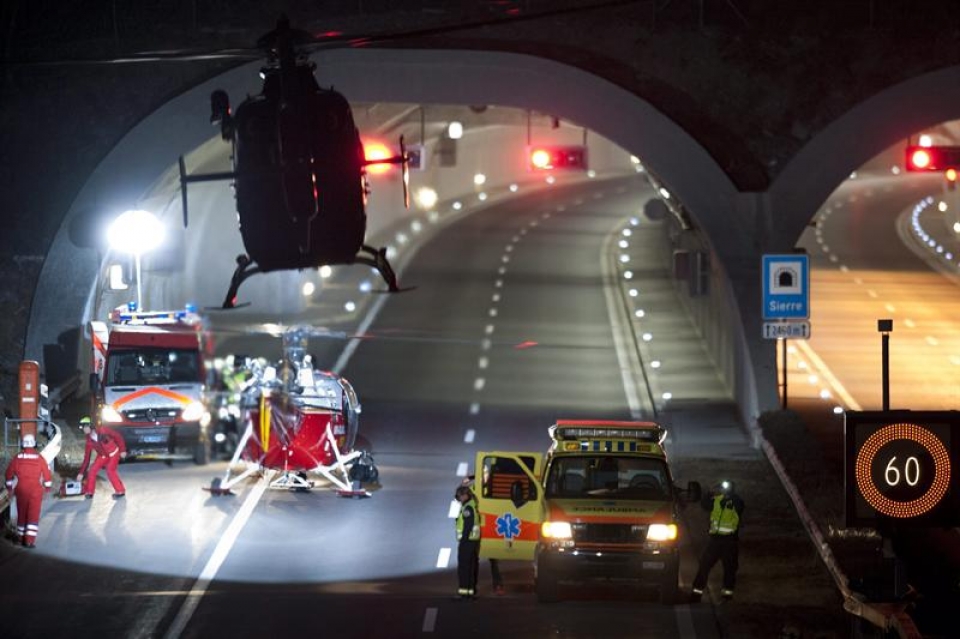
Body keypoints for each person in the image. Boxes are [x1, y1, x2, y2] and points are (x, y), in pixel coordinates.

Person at [691, 480, 745, 601]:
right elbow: (704, 504)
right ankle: (696, 593)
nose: (723, 489)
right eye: (722, 487)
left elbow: (740, 506)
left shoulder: (736, 501)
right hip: (715, 541)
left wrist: (730, 495)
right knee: (704, 566)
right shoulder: (716, 500)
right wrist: (710, 492)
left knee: (729, 569)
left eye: (726, 487)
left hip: (730, 542)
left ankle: (727, 595)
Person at [4, 434, 53, 548]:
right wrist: (47, 487)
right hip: (36, 491)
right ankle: (29, 540)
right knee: (33, 515)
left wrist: (10, 487)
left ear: (23, 444)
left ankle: (21, 538)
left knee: (22, 514)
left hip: (21, 490)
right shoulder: (39, 457)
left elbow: (8, 474)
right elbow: (46, 473)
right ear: (34, 444)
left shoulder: (18, 458)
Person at [460, 473, 504, 595]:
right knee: (474, 560)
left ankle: (498, 585)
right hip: (478, 529)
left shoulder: (493, 491)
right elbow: (463, 487)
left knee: (493, 558)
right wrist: (472, 478)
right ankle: (473, 587)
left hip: (489, 528)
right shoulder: (474, 490)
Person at [77, 416, 127, 499]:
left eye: (85, 427)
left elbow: (118, 436)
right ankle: (90, 492)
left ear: (91, 425)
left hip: (114, 453)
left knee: (110, 470)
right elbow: (87, 459)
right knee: (92, 470)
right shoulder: (89, 441)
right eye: (83, 428)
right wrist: (81, 473)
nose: (84, 429)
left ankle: (120, 491)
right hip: (103, 456)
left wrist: (123, 450)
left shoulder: (103, 430)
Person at [454, 485, 481, 599]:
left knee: (464, 568)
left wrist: (463, 540)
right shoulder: (471, 505)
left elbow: (467, 526)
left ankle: (464, 593)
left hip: (467, 541)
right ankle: (470, 591)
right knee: (471, 567)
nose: (459, 499)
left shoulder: (468, 509)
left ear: (465, 495)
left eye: (459, 496)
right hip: (473, 541)